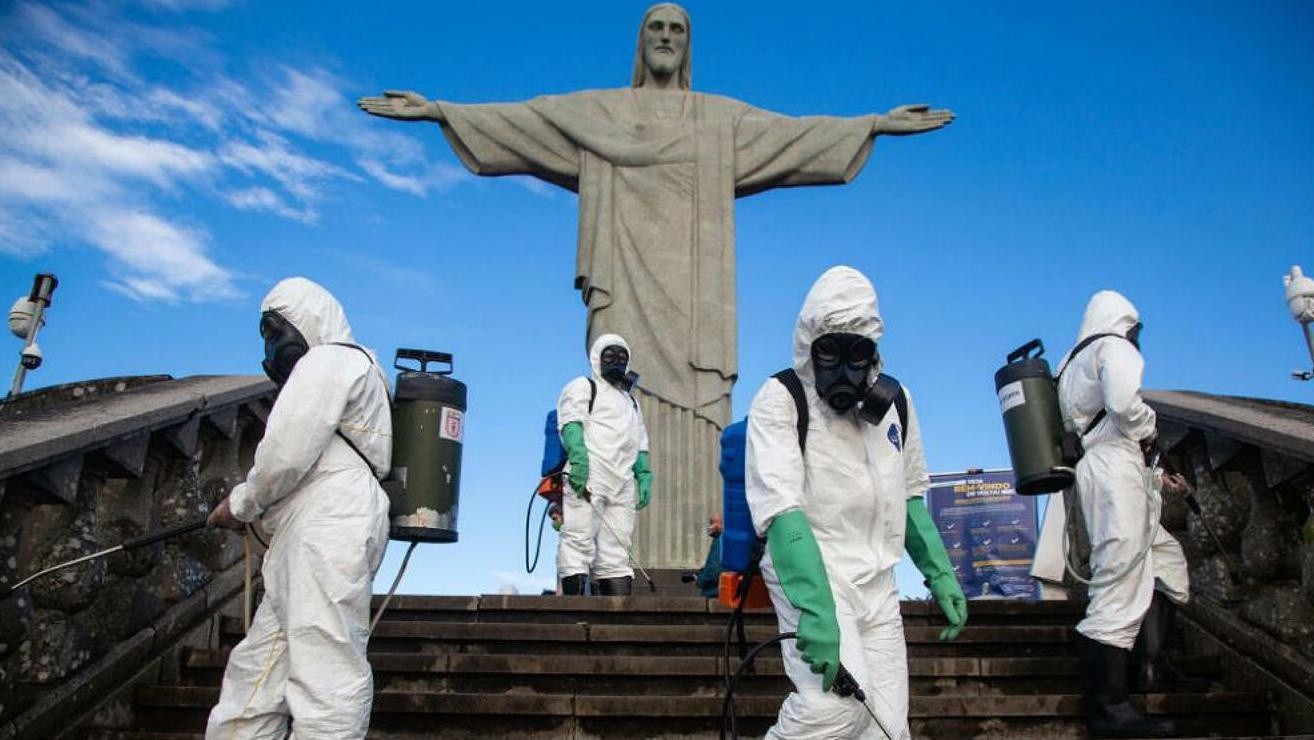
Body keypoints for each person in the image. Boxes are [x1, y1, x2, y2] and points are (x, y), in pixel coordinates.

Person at [358, 3, 953, 570]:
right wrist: (442, 111)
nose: (666, 37)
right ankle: (616, 565)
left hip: (698, 307)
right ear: (641, 43)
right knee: (621, 402)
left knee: (699, 422)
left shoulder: (719, 120)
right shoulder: (601, 114)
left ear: (687, 44)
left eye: (677, 29)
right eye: (655, 28)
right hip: (624, 290)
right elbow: (526, 121)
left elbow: (792, 137)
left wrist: (871, 124)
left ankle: (704, 559)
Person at [745, 266, 966, 739]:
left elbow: (908, 495)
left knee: (887, 728)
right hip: (814, 570)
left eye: (858, 353)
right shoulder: (780, 398)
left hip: (878, 584)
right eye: (829, 351)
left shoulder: (897, 404)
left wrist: (940, 574)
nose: (843, 368)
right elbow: (782, 513)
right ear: (809, 347)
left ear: (874, 354)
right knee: (835, 711)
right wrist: (817, 611)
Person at [205, 277, 392, 739]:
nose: (272, 345)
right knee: (259, 668)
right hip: (313, 525)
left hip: (328, 520)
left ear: (309, 318)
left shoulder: (332, 358)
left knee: (325, 667)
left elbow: (285, 454)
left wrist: (242, 503)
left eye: (276, 330)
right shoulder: (356, 370)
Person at [1057, 289, 1195, 738]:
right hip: (1115, 468)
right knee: (1119, 579)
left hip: (1107, 468)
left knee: (1167, 562)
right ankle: (1109, 709)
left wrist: (1155, 476)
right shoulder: (1112, 347)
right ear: (1126, 323)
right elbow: (1122, 406)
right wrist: (1150, 425)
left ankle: (1152, 669)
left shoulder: (1068, 364)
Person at [556, 334, 653, 596]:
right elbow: (571, 423)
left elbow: (639, 440)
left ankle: (617, 608)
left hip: (621, 481)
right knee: (578, 537)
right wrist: (578, 460)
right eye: (610, 356)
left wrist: (643, 473)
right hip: (590, 474)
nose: (617, 362)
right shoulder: (584, 387)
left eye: (622, 357)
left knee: (618, 545)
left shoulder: (631, 401)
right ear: (597, 358)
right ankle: (573, 605)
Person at [694, 514, 724, 598]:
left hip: (716, 592)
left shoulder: (720, 541)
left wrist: (699, 580)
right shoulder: (730, 538)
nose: (709, 527)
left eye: (712, 523)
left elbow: (714, 570)